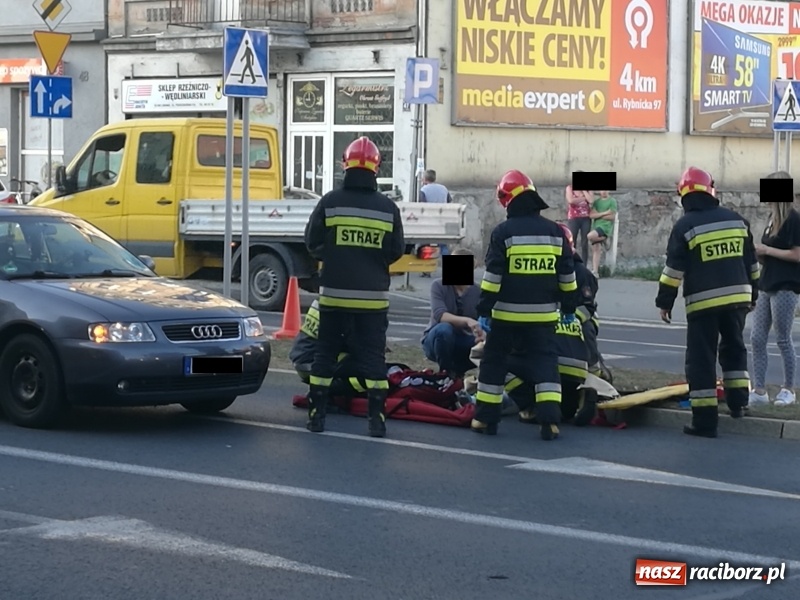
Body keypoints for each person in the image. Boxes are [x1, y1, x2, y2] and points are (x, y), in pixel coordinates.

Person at [304, 136, 405, 437]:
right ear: (377, 167)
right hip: (373, 300)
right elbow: (396, 250)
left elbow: (312, 243)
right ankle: (377, 421)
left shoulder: (330, 202)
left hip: (334, 297)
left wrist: (335, 256)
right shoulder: (388, 208)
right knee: (374, 361)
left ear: (345, 165)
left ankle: (316, 418)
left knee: (324, 356)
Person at [473, 169, 579, 441]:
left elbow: (493, 276)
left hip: (506, 315)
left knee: (494, 364)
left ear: (507, 200)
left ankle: (486, 419)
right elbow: (567, 275)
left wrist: (484, 309)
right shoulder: (555, 232)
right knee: (545, 365)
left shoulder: (503, 232)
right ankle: (550, 421)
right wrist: (568, 307)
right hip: (543, 317)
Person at [655, 166, 760, 438]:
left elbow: (673, 271)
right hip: (738, 299)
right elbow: (752, 264)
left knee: (701, 359)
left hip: (703, 304)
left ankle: (704, 421)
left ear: (684, 196)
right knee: (734, 349)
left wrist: (665, 302)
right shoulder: (737, 220)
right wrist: (754, 295)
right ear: (711, 191)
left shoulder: (685, 226)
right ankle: (739, 405)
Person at [749, 170, 800, 407]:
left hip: (786, 286)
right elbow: (772, 254)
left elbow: (796, 254)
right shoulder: (771, 221)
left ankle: (789, 388)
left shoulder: (793, 220)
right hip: (767, 282)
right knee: (757, 337)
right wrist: (758, 254)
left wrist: (767, 251)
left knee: (782, 338)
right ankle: (759, 389)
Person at [421, 248, 483, 377]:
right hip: (435, 340)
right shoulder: (438, 285)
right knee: (444, 329)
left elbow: (484, 319)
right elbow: (440, 315)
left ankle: (460, 372)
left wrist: (483, 334)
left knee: (488, 344)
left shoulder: (477, 292)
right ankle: (446, 374)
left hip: (464, 339)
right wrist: (467, 320)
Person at [419, 169, 453, 265]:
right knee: (443, 245)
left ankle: (426, 270)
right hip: (442, 220)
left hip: (429, 221)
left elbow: (422, 205)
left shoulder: (423, 190)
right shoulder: (443, 188)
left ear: (425, 179)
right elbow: (449, 202)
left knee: (427, 246)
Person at [586, 189, 618, 276]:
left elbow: (612, 216)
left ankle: (605, 238)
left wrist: (599, 215)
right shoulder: (597, 202)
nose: (603, 192)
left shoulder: (612, 201)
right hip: (596, 227)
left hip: (605, 227)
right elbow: (591, 215)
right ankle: (595, 271)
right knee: (596, 249)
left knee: (590, 236)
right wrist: (605, 213)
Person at [565, 171, 594, 262]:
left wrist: (584, 191)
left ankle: (584, 264)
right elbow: (571, 200)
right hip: (573, 218)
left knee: (584, 242)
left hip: (586, 218)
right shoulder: (570, 188)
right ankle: (572, 262)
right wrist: (584, 198)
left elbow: (591, 200)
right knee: (572, 241)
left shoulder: (588, 189)